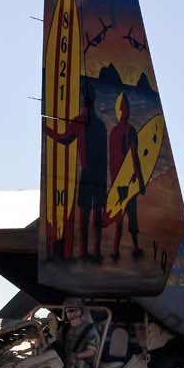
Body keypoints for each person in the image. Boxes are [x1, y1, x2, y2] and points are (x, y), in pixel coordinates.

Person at [43, 78, 110, 261]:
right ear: (94, 98)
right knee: (93, 214)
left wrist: (47, 129)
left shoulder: (80, 122)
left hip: (89, 174)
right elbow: (105, 158)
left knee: (86, 213)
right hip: (97, 175)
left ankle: (86, 251)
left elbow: (64, 139)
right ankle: (93, 251)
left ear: (83, 97)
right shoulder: (99, 125)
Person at [106, 93, 146, 263]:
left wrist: (112, 183)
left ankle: (115, 251)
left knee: (120, 218)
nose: (127, 110)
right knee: (131, 217)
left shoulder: (113, 132)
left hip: (117, 182)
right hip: (128, 182)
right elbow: (134, 158)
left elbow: (111, 159)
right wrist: (141, 181)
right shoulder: (130, 131)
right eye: (126, 107)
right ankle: (136, 248)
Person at [57, 300, 103, 368]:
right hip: (64, 360)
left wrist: (75, 356)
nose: (69, 313)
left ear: (79, 311)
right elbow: (57, 344)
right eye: (67, 311)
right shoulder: (64, 328)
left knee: (71, 360)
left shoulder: (89, 329)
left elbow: (92, 351)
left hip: (83, 363)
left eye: (72, 310)